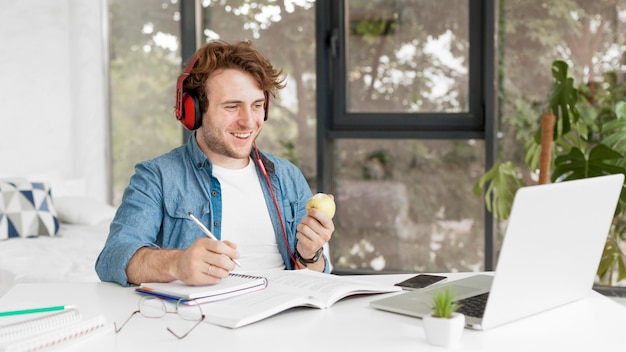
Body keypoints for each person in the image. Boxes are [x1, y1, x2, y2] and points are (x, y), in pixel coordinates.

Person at [95, 40, 335, 287]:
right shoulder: (156, 177)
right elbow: (112, 258)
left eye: (257, 106)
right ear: (194, 110)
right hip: (203, 320)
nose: (249, 121)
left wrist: (310, 255)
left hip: (281, 315)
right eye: (232, 107)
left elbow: (314, 276)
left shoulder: (287, 176)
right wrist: (177, 263)